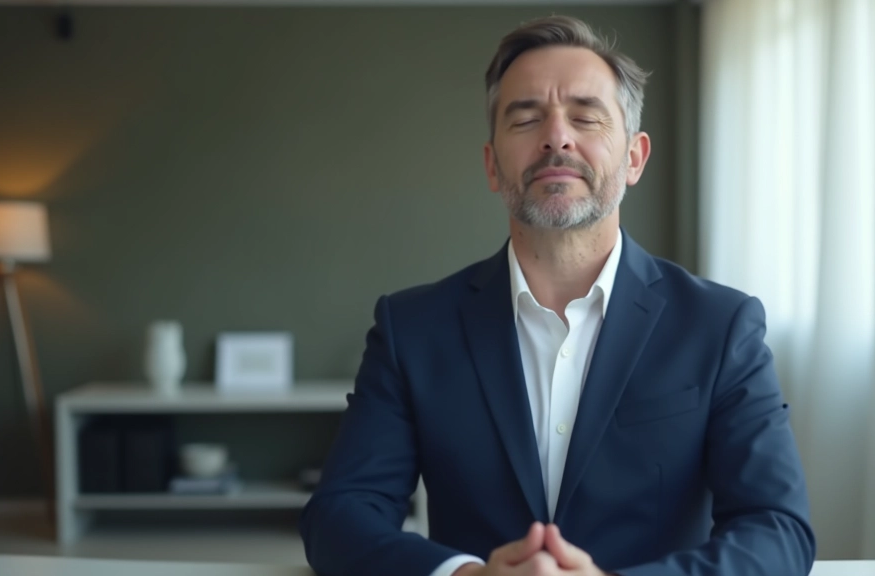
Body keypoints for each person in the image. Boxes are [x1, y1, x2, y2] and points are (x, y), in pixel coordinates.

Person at [300, 15, 815, 576]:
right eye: (525, 118)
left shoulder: (721, 326)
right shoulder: (412, 329)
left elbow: (777, 528)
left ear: (635, 158)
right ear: (493, 166)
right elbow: (341, 515)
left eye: (586, 116)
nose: (556, 136)